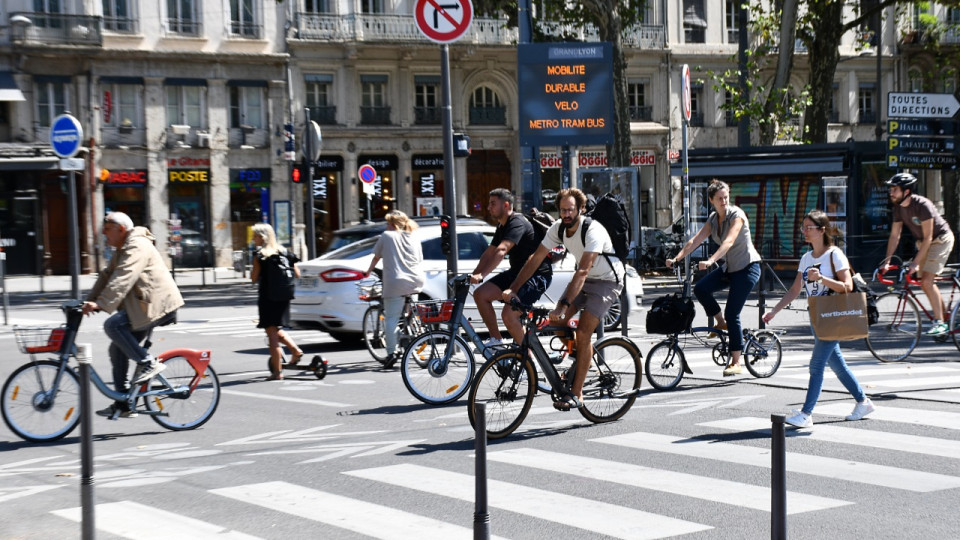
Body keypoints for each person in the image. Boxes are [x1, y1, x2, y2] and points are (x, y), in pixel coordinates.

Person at [503, 188, 623, 411]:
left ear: (581, 209)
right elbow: (535, 259)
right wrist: (513, 290)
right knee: (557, 323)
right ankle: (580, 361)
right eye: (562, 210)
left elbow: (583, 271)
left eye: (570, 210)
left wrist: (563, 304)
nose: (566, 214)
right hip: (584, 279)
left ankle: (577, 394)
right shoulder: (558, 228)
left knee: (584, 332)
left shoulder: (592, 230)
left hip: (606, 281)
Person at [763, 210, 875, 428]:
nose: (804, 231)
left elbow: (847, 287)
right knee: (838, 366)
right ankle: (864, 401)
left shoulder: (834, 255)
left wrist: (822, 278)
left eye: (809, 227)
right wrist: (774, 311)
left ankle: (806, 413)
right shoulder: (806, 258)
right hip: (817, 317)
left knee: (816, 365)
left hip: (834, 317)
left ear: (822, 230)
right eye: (803, 227)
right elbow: (794, 290)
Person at [83, 212, 184, 418]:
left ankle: (149, 363)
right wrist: (87, 301)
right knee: (117, 349)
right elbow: (107, 276)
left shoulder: (137, 245)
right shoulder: (122, 248)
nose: (103, 232)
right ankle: (124, 403)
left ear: (121, 229)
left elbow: (123, 277)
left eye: (107, 227)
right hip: (143, 304)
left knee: (113, 325)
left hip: (157, 304)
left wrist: (101, 304)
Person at [666, 179, 761, 376]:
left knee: (733, 313)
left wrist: (710, 261)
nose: (724, 201)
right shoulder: (712, 219)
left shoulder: (737, 215)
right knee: (701, 288)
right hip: (730, 268)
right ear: (711, 200)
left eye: (726, 197)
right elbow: (694, 240)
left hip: (747, 268)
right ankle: (720, 322)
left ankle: (736, 361)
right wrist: (676, 258)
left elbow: (728, 242)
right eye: (720, 199)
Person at [470, 188, 552, 350]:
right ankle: (496, 340)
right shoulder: (502, 226)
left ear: (506, 205)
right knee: (480, 294)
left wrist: (483, 274)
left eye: (493, 203)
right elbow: (489, 252)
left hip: (536, 276)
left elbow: (501, 250)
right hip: (517, 273)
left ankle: (528, 359)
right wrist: (475, 274)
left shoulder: (517, 223)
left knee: (508, 315)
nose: (488, 208)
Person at [881, 172, 955, 336]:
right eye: (891, 189)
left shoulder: (922, 205)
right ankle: (944, 318)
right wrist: (887, 261)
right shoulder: (898, 208)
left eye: (895, 189)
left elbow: (929, 237)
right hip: (923, 242)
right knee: (926, 282)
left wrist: (915, 263)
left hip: (940, 239)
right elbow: (895, 236)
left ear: (906, 191)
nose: (891, 193)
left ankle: (940, 322)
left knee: (927, 281)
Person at [364, 210, 425, 365]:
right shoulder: (414, 236)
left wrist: (368, 272)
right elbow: (419, 259)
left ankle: (392, 353)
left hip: (396, 283)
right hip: (416, 280)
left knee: (391, 318)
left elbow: (376, 257)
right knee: (410, 314)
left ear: (391, 224)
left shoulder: (387, 236)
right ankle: (416, 341)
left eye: (387, 223)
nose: (386, 226)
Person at [251, 223, 304, 381]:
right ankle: (295, 350)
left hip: (268, 297)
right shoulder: (286, 252)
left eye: (255, 236)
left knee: (271, 334)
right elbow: (297, 274)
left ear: (262, 237)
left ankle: (277, 372)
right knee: (276, 328)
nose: (253, 239)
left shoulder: (260, 255)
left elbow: (253, 278)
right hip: (284, 296)